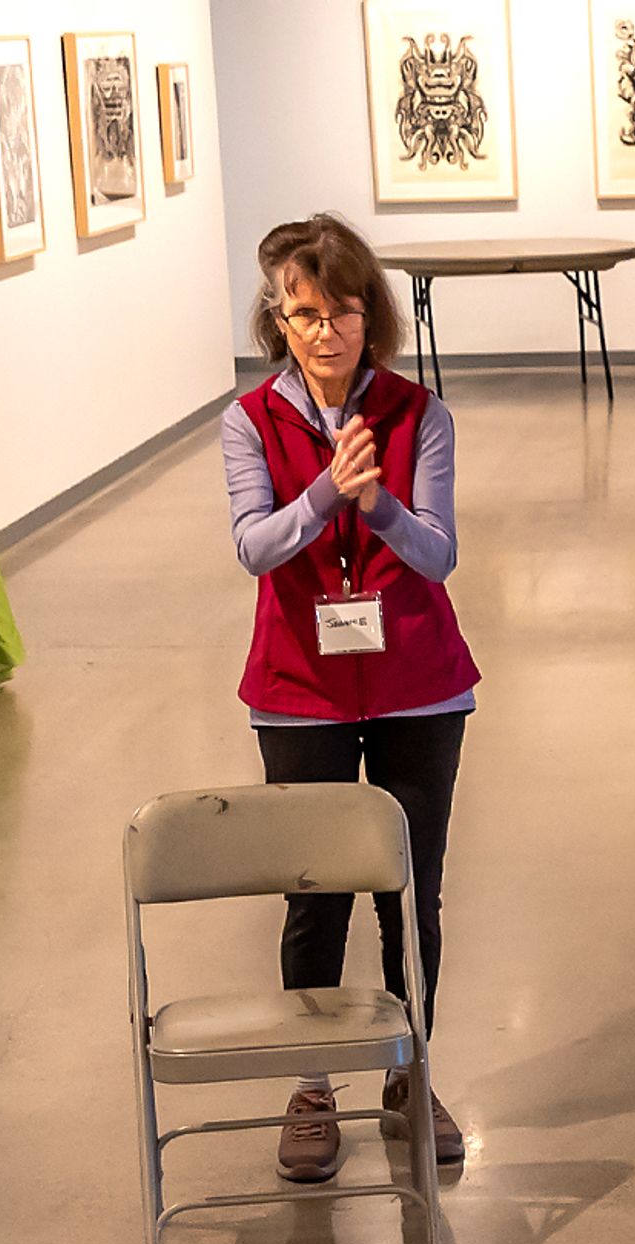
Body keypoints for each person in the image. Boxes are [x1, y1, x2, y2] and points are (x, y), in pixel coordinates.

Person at [225, 213, 478, 1178]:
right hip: (301, 693)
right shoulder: (248, 422)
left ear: (371, 315)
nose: (323, 330)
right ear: (277, 324)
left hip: (418, 685)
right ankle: (313, 1082)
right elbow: (255, 546)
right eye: (303, 314)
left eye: (340, 310)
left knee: (412, 894)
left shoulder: (422, 416)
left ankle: (409, 1072)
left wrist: (379, 505)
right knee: (315, 897)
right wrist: (328, 495)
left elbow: (439, 553)